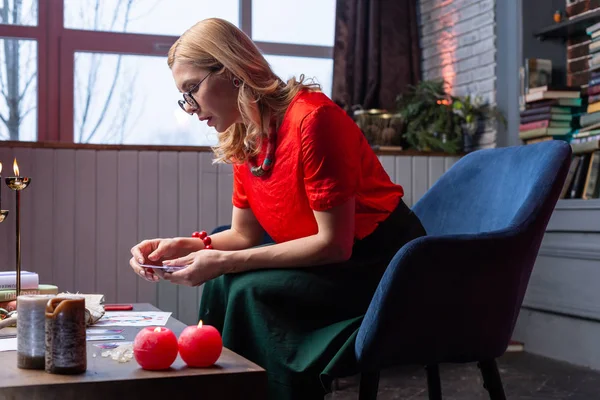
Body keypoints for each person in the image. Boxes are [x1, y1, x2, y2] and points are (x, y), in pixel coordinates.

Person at [129, 17, 426, 400]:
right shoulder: (243, 134)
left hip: (381, 265)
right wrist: (186, 245)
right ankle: (222, 390)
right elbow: (244, 235)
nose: (190, 108)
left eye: (192, 90)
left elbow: (335, 245)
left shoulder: (313, 120)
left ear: (232, 70)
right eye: (183, 96)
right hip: (330, 257)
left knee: (249, 289)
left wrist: (224, 261)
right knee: (223, 282)